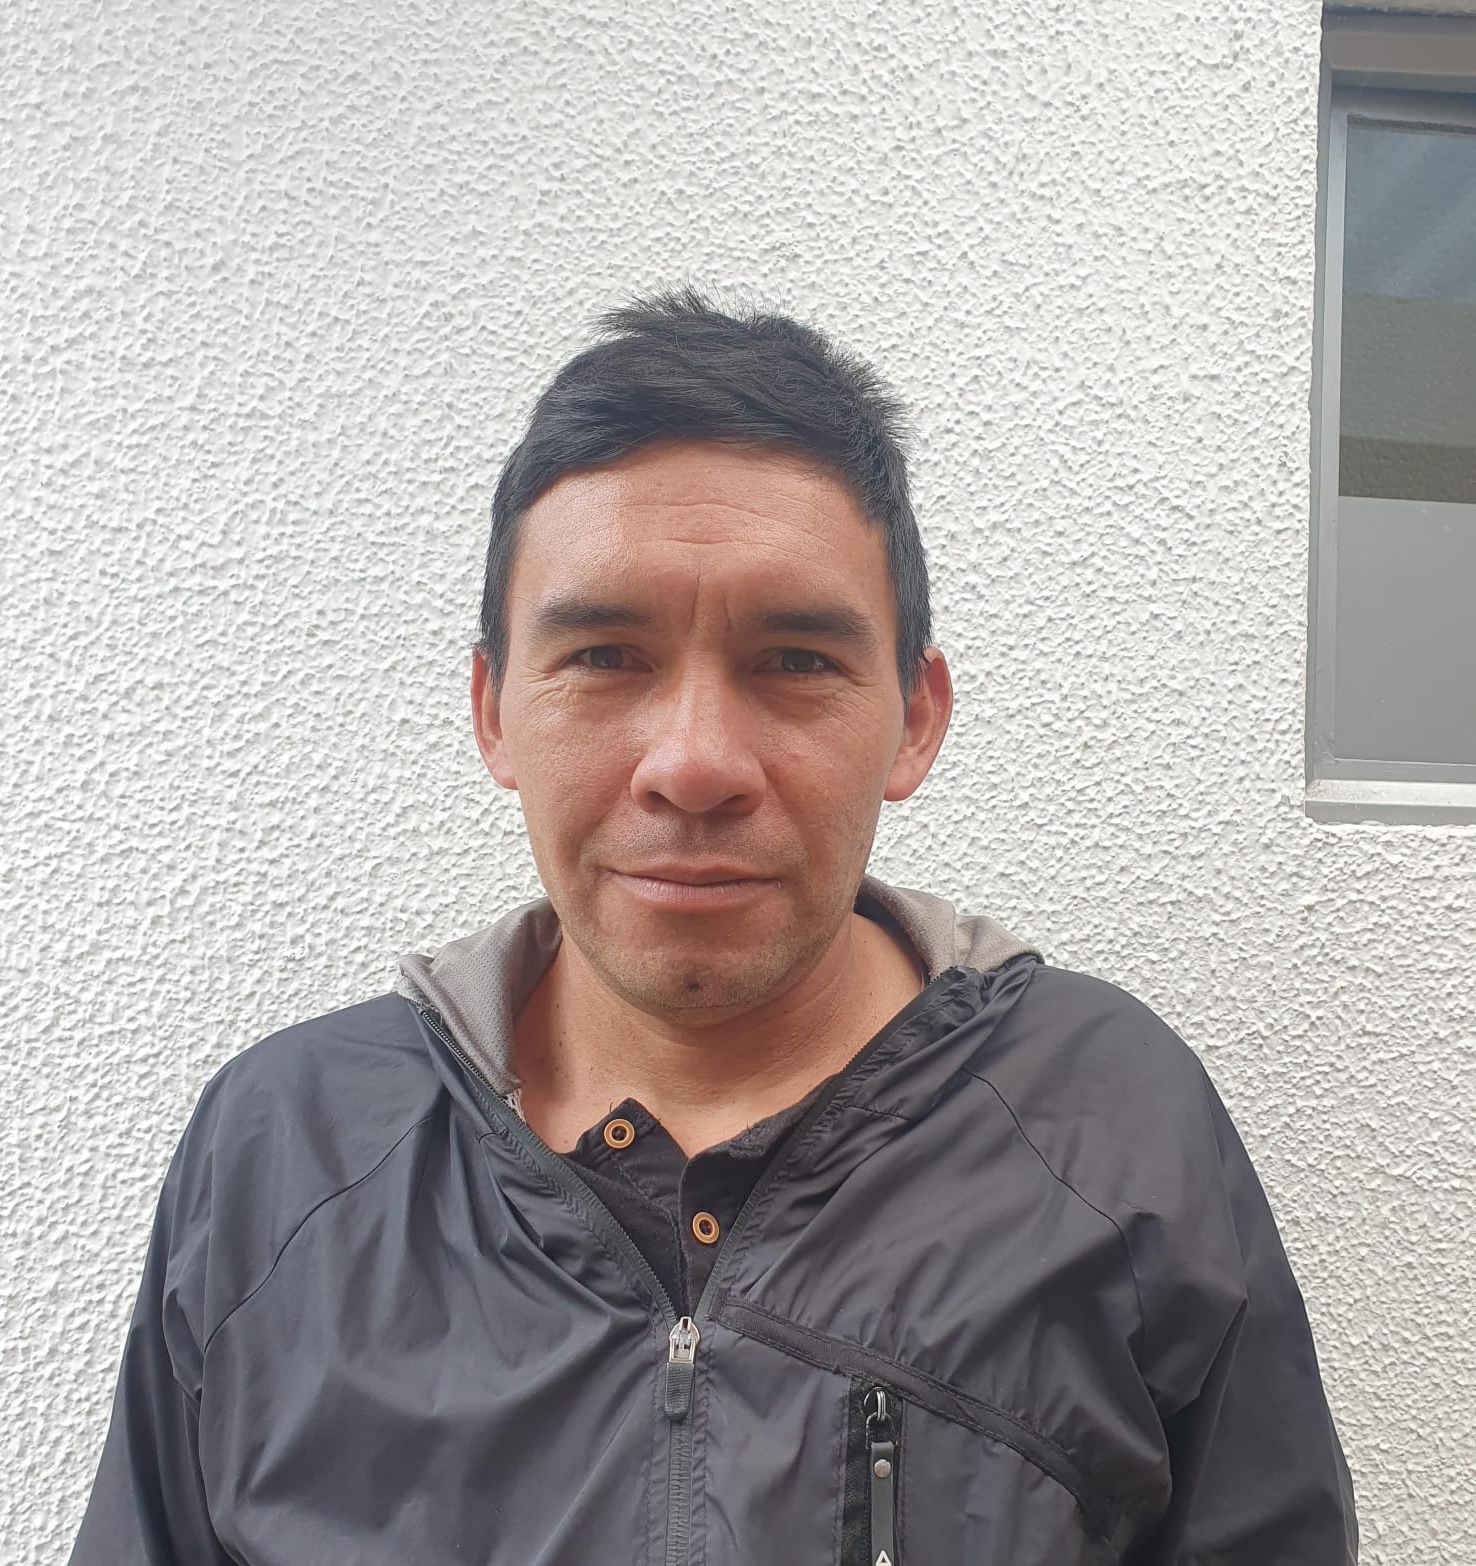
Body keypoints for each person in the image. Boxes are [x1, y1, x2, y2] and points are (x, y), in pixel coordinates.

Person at [68, 287, 1357, 1565]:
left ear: (913, 718)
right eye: (604, 656)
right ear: (494, 712)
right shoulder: (286, 1151)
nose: (694, 764)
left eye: (795, 660)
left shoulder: (1113, 1126)